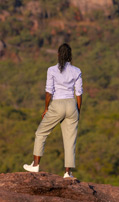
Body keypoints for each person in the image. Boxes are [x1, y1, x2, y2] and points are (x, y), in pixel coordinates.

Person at [23, 43, 83, 179]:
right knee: (70, 140)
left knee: (41, 133)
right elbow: (78, 93)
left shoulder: (52, 70)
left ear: (58, 55)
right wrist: (78, 111)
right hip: (71, 104)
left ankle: (35, 165)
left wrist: (46, 108)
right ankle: (68, 173)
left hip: (57, 104)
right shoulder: (77, 71)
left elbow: (49, 92)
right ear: (70, 56)